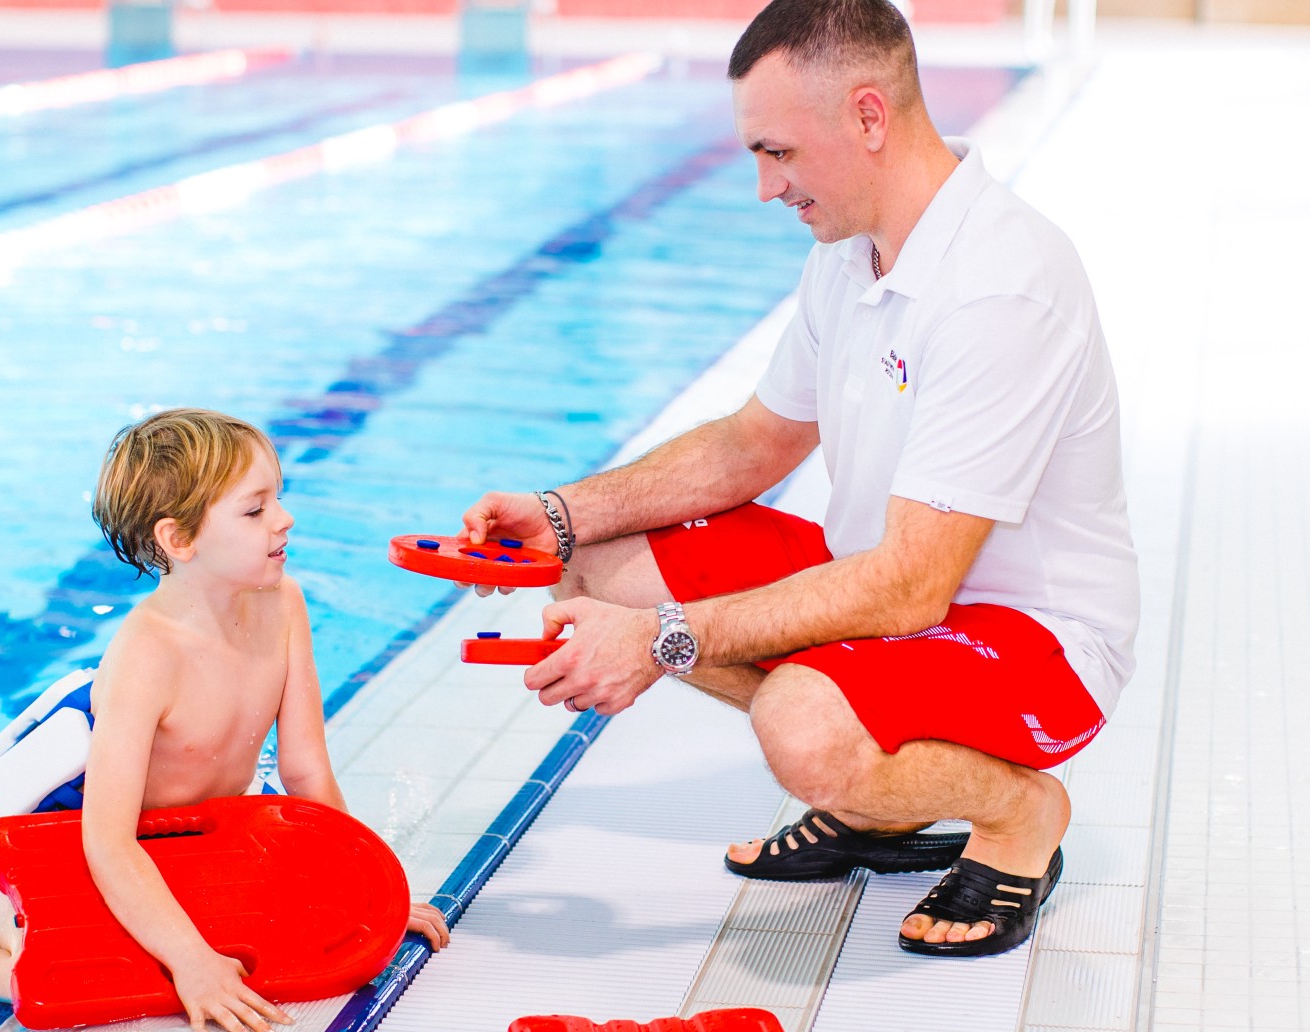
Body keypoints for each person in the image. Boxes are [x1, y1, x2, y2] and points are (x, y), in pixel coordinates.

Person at [458, 0, 1137, 957]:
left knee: (803, 726)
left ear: (868, 116)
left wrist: (664, 642)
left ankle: (1022, 815)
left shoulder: (998, 286)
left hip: (1034, 641)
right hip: (894, 589)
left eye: (777, 153)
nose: (764, 188)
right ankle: (886, 804)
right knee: (596, 562)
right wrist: (563, 513)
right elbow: (752, 445)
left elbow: (911, 589)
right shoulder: (851, 251)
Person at [0, 409, 449, 1032]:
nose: (285, 519)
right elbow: (107, 840)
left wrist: (369, 897)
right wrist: (188, 959)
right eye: (255, 509)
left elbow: (305, 772)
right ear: (179, 539)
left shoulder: (283, 605)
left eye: (278, 496)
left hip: (184, 836)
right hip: (58, 835)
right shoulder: (148, 652)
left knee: (280, 941)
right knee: (83, 977)